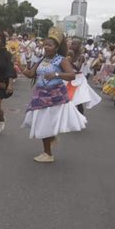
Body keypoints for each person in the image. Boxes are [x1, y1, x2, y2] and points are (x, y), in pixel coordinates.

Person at [18, 27, 87, 163]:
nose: (46, 48)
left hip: (55, 96)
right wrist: (20, 68)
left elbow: (71, 75)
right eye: (45, 45)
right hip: (40, 95)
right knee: (41, 123)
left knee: (45, 125)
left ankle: (48, 154)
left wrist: (56, 74)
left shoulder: (61, 60)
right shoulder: (42, 59)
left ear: (56, 47)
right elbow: (31, 74)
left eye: (50, 45)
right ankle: (50, 144)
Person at [66, 38, 101, 114]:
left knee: (78, 100)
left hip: (78, 79)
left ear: (79, 46)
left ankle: (81, 116)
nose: (72, 45)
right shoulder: (70, 54)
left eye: (74, 44)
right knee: (68, 98)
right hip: (70, 77)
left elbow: (78, 68)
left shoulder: (81, 56)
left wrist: (69, 62)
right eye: (72, 44)